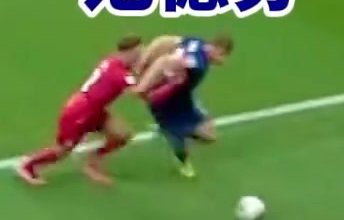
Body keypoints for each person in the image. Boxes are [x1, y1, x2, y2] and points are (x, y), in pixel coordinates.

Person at [18, 37, 142, 186]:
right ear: (129, 52)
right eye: (137, 53)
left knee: (122, 135)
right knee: (62, 150)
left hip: (95, 109)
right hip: (80, 112)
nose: (139, 57)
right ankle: (27, 165)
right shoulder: (120, 74)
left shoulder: (111, 61)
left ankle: (93, 162)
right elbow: (136, 92)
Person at [134, 34, 233, 179]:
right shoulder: (197, 62)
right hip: (165, 99)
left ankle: (171, 129)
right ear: (218, 49)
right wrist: (143, 86)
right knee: (179, 137)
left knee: (210, 136)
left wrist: (143, 62)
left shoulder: (196, 42)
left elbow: (162, 40)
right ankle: (182, 160)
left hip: (183, 98)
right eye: (223, 56)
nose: (223, 61)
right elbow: (164, 61)